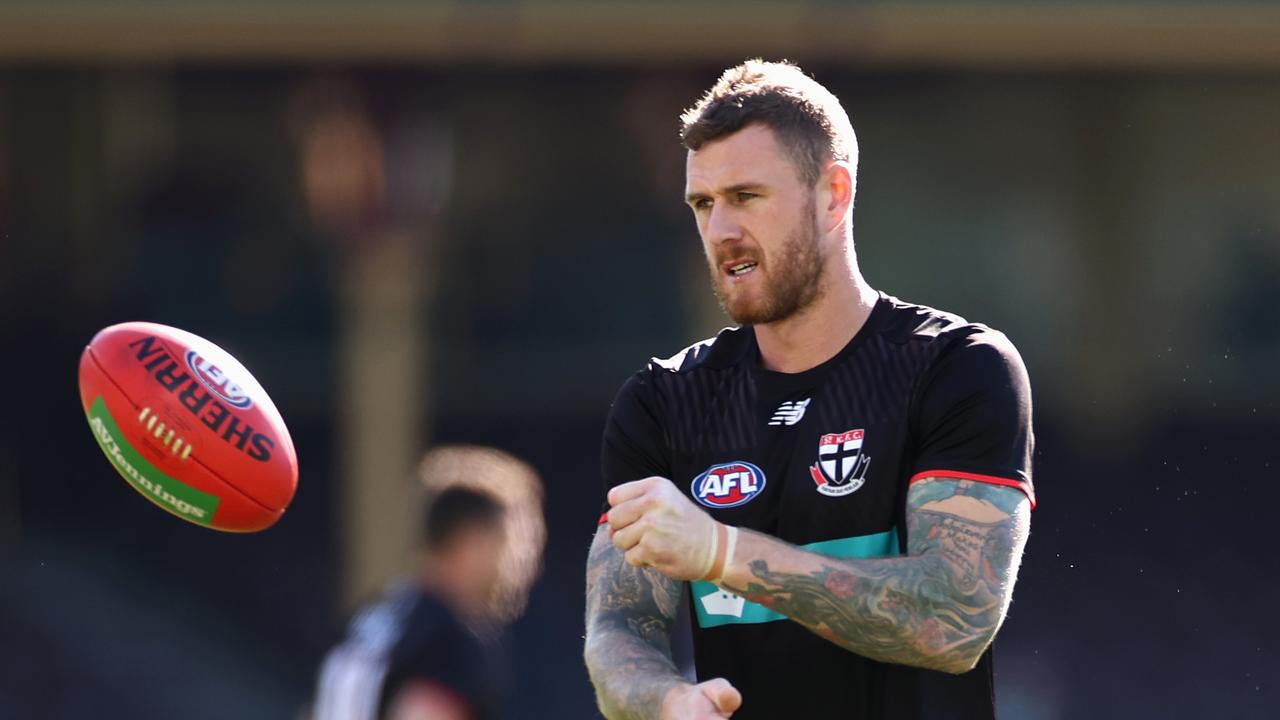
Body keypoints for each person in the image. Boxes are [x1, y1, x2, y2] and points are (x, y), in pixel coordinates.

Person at [584, 60, 1034, 720]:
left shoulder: (958, 368)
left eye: (746, 197)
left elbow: (957, 618)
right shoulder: (662, 403)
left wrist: (721, 552)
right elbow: (619, 629)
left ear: (833, 194)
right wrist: (666, 701)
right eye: (703, 204)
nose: (720, 231)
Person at [314, 445, 541, 720]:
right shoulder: (450, 639)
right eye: (512, 542)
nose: (525, 562)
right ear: (471, 543)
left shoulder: (369, 617)